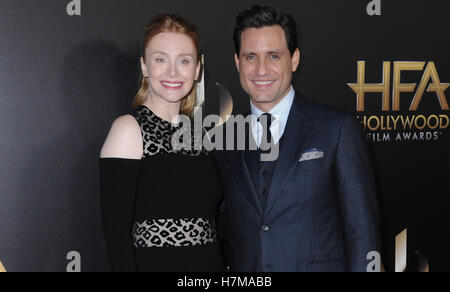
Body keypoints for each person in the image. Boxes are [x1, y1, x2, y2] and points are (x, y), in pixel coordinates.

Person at [215, 5, 381, 272]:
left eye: (273, 56)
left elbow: (362, 231)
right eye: (250, 57)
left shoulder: (336, 129)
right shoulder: (223, 138)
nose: (261, 69)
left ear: (294, 59)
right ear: (237, 62)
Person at [99, 14, 226, 272]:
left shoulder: (197, 134)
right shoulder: (129, 129)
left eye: (183, 61)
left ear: (197, 69)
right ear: (145, 67)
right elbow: (115, 231)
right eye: (160, 59)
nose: (172, 71)